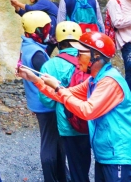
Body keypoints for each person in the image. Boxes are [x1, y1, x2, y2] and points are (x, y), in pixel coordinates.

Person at [21, 31, 131, 182]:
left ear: (96, 56)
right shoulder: (94, 80)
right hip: (107, 155)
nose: (77, 57)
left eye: (81, 53)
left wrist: (59, 88)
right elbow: (65, 94)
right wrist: (36, 80)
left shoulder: (110, 81)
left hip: (120, 156)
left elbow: (87, 110)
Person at [39, 21, 91, 182]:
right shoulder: (88, 59)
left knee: (73, 165)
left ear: (58, 41)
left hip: (67, 124)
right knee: (83, 164)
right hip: (88, 120)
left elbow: (46, 101)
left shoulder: (49, 65)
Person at [19, 11, 65, 182]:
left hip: (37, 101)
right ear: (35, 30)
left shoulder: (27, 46)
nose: (48, 32)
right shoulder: (36, 53)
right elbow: (47, 77)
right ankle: (51, 178)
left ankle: (62, 174)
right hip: (45, 104)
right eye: (45, 29)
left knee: (56, 140)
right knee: (49, 142)